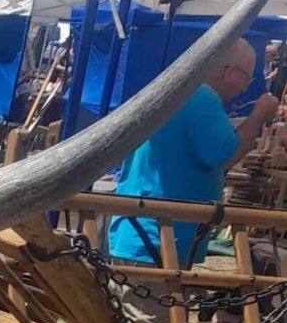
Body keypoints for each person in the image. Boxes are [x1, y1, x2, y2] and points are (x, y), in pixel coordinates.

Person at [110, 38, 280, 272]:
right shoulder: (202, 97)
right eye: (248, 77)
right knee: (151, 307)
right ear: (230, 72)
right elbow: (225, 156)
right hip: (159, 238)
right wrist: (259, 114)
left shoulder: (181, 92)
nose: (246, 87)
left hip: (145, 233)